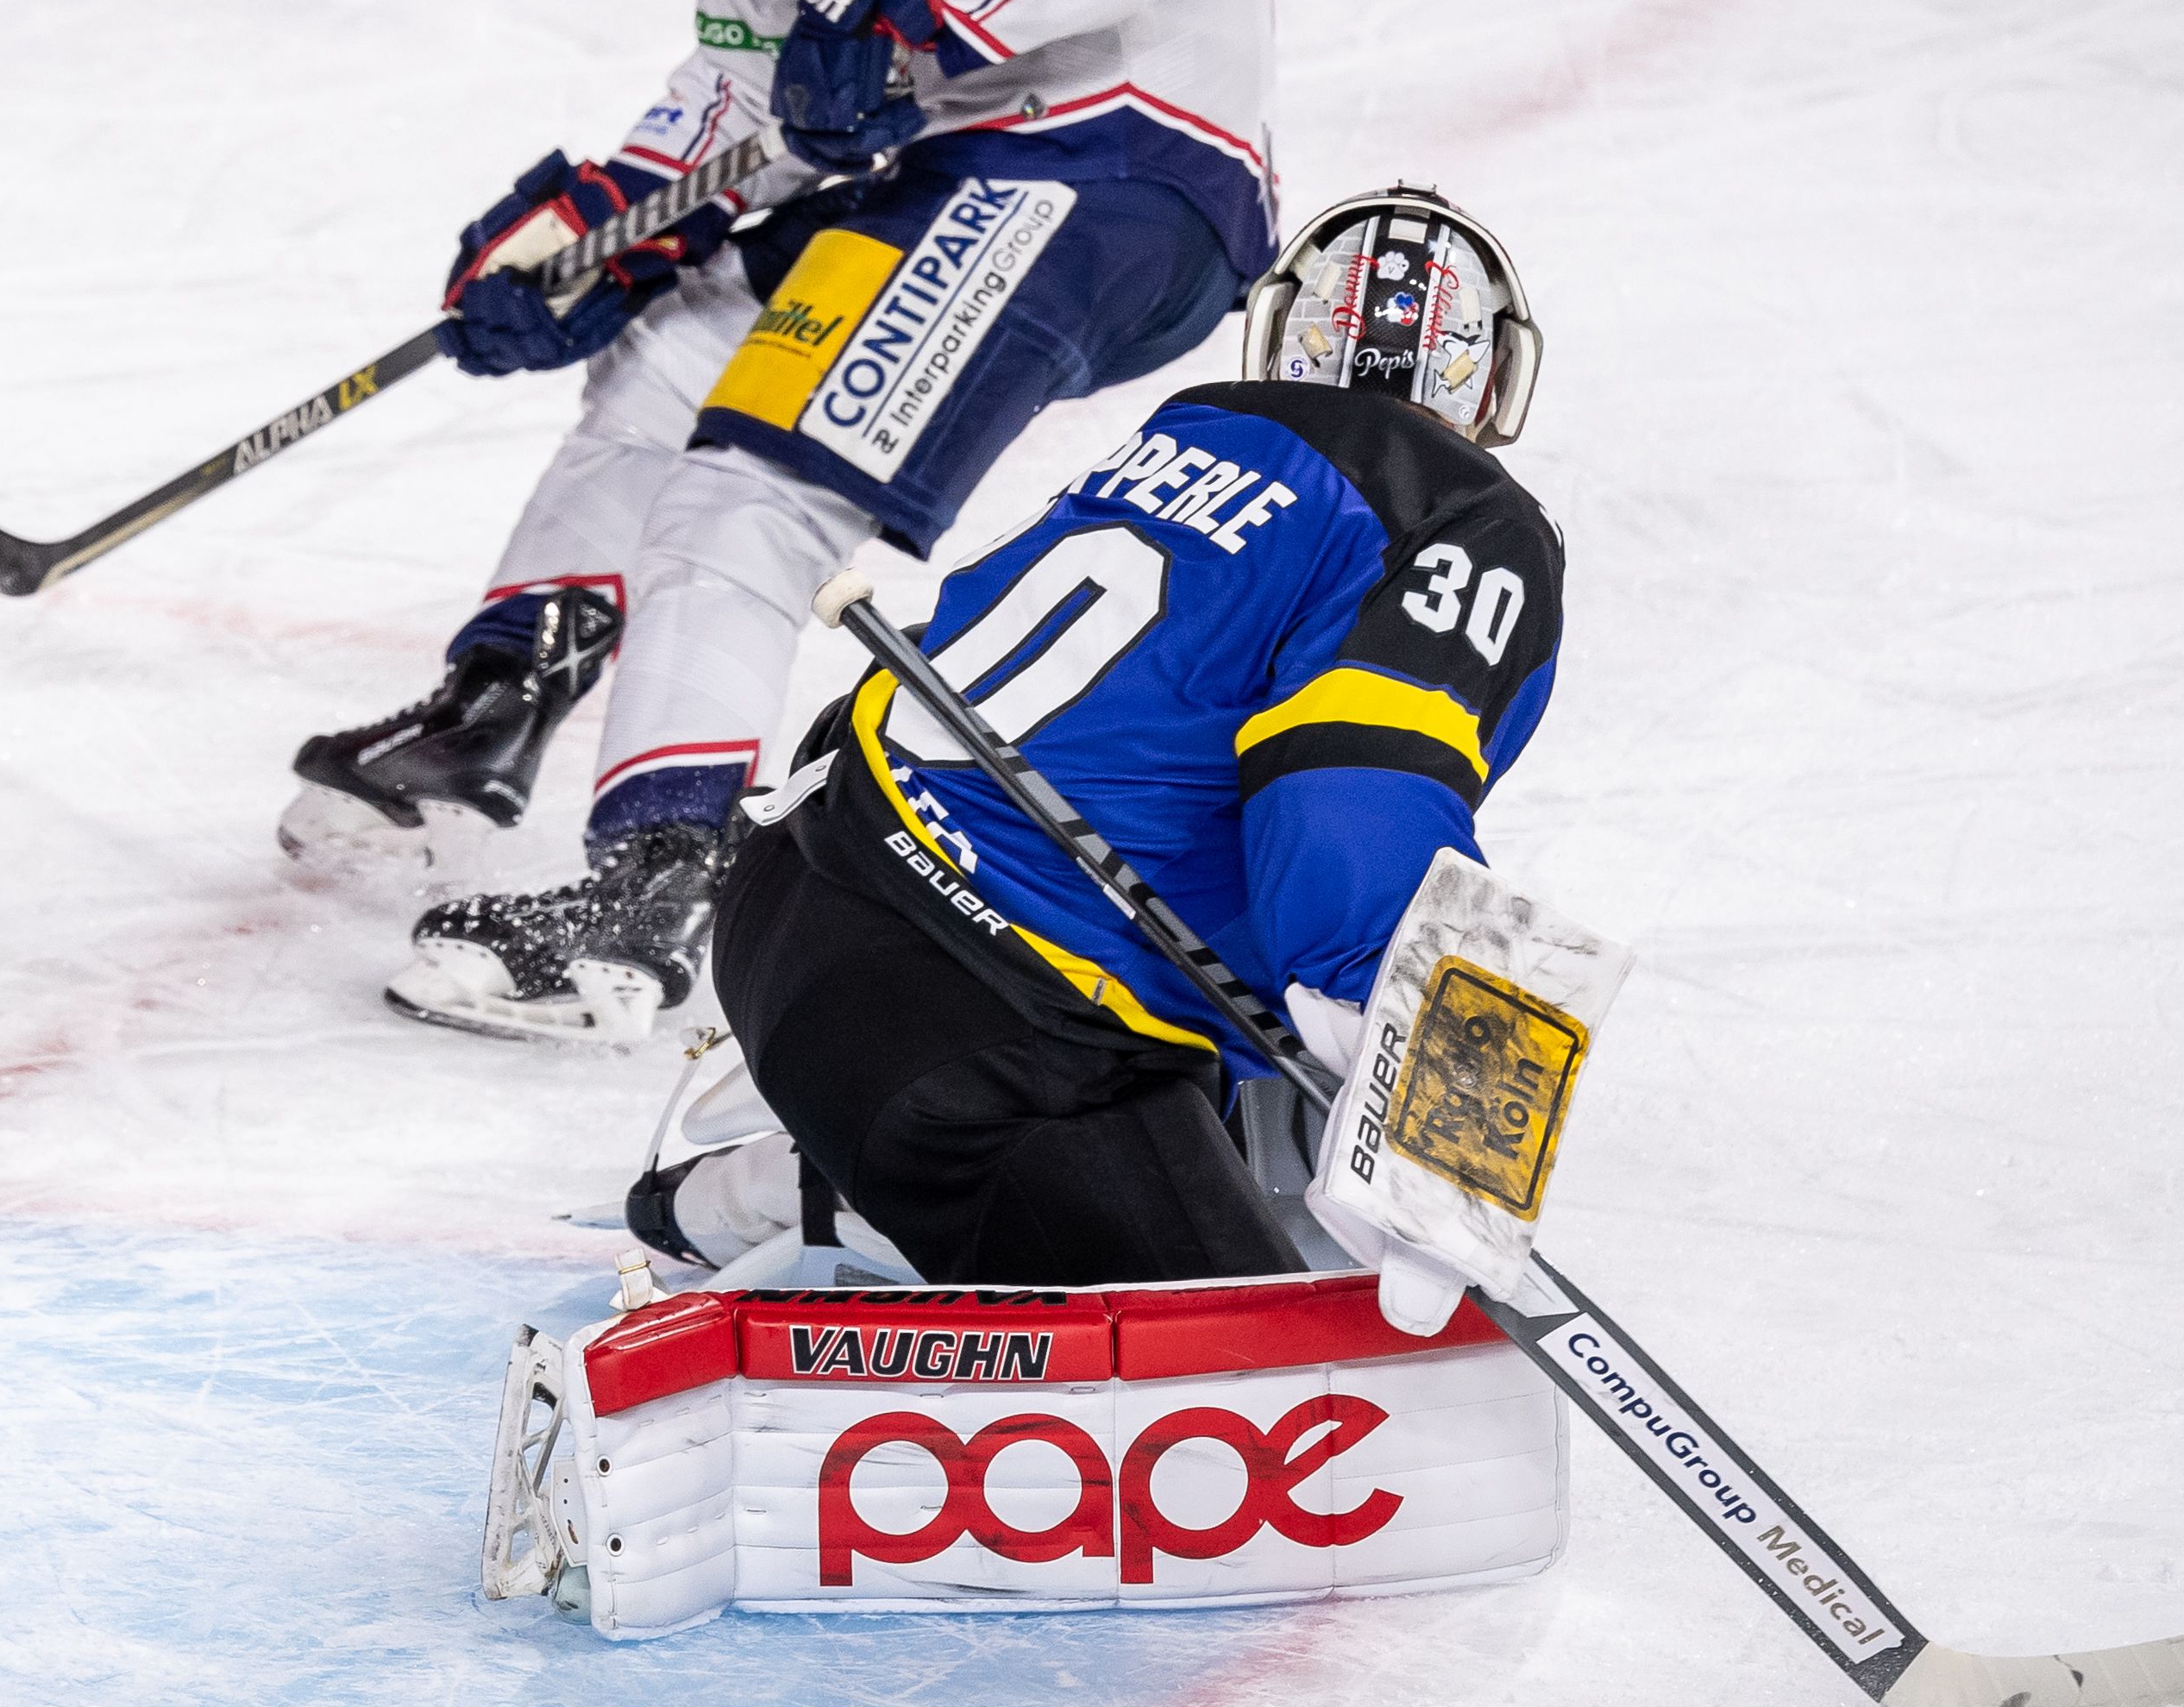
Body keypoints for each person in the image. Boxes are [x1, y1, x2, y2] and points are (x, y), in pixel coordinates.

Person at [283, 0, 1282, 1041]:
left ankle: (654, 888)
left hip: (1116, 151)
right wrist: (606, 217)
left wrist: (917, 2)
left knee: (758, 481)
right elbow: (757, 81)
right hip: (943, 166)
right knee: (676, 343)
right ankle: (502, 692)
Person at [624, 187, 1560, 1290]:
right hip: (999, 1042)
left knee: (1247, 1090)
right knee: (1259, 1372)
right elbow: (1355, 785)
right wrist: (1439, 1124)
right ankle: (850, 1183)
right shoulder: (1468, 519)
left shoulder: (1189, 433)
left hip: (795, 894)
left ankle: (766, 1185)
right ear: (1490, 375)